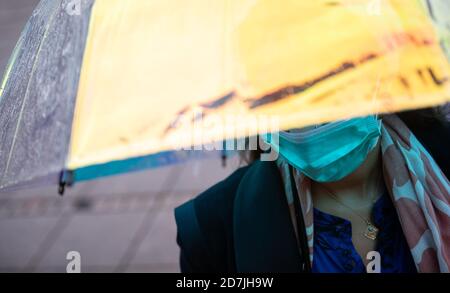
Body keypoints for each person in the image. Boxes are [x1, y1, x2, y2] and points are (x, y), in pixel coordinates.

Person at [174, 108, 450, 273]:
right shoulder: (211, 230)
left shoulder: (443, 161)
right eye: (288, 83)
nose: (315, 102)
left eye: (334, 72)